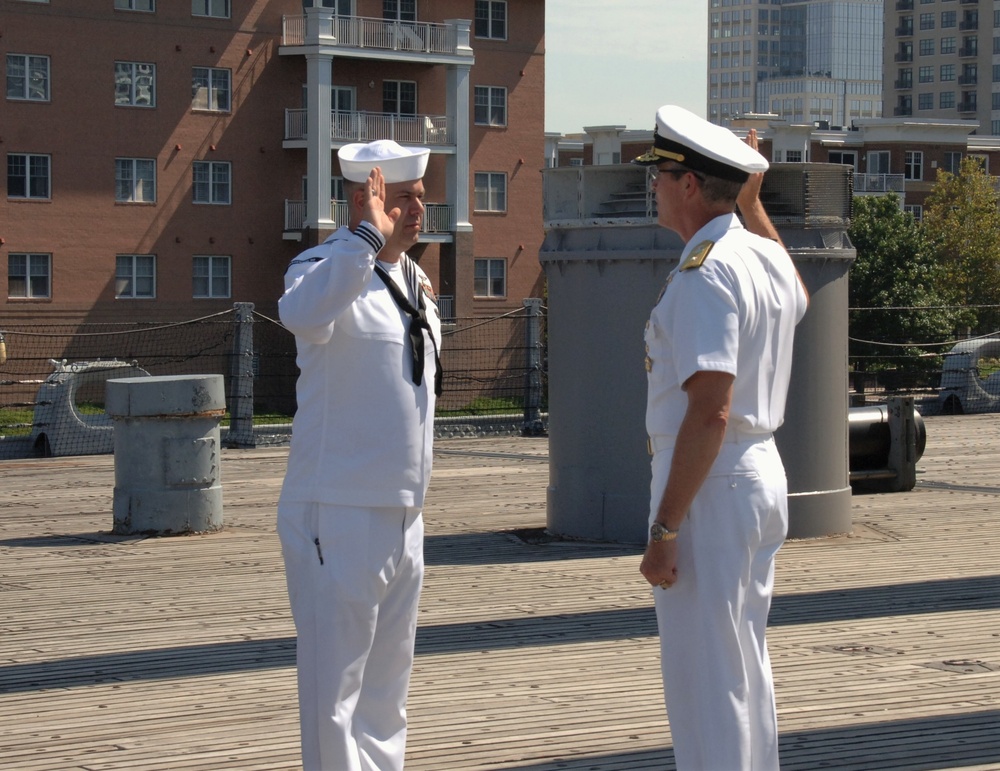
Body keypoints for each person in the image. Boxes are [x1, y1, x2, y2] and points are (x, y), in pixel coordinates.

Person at [634, 106, 809, 770]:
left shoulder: (705, 271)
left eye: (661, 174)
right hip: (755, 472)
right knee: (741, 670)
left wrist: (665, 528)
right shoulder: (758, 255)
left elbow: (708, 409)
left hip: (714, 482)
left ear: (686, 186)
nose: (653, 186)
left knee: (708, 684)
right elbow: (797, 293)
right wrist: (752, 205)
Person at [276, 138, 441, 771]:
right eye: (403, 199)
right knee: (335, 694)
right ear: (365, 202)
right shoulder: (323, 269)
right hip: (338, 511)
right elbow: (300, 312)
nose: (419, 210)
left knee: (386, 694)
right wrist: (366, 241)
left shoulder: (415, 280)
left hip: (403, 515)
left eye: (420, 198)